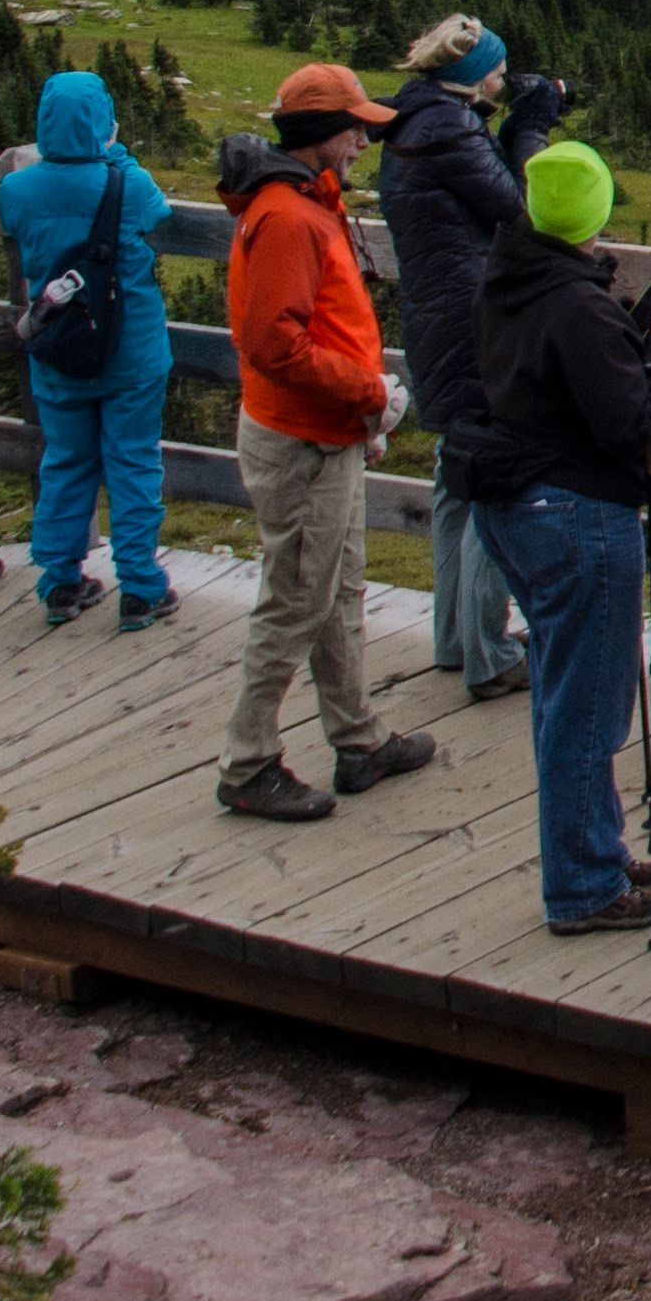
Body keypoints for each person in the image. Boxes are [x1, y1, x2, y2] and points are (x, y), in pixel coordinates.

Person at [476, 138, 651, 934]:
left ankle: (595, 848)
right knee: (590, 707)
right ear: (596, 212)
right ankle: (583, 887)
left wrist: (627, 335)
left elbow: (568, 382)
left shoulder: (512, 279)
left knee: (562, 688)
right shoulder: (575, 304)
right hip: (580, 516)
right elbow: (629, 420)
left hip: (520, 508)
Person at [216, 61, 444, 821]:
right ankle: (247, 763)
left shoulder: (307, 202)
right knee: (294, 600)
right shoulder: (288, 218)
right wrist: (371, 395)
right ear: (322, 134)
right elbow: (271, 343)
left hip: (323, 432)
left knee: (337, 587)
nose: (362, 144)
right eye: (355, 131)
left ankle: (358, 738)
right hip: (301, 440)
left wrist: (359, 417)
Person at [380, 13, 566, 700]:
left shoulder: (414, 119)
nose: (500, 77)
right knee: (495, 479)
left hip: (438, 324)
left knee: (456, 477)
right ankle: (490, 652)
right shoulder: (452, 130)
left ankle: (456, 637)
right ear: (470, 74)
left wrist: (512, 117)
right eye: (495, 67)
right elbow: (521, 206)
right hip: (476, 326)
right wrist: (531, 125)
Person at [0, 69, 175, 632]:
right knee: (133, 461)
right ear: (104, 124)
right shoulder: (128, 183)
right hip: (132, 351)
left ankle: (60, 583)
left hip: (57, 349)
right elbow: (158, 214)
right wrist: (113, 152)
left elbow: (15, 224)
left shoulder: (17, 189)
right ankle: (142, 589)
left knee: (66, 462)